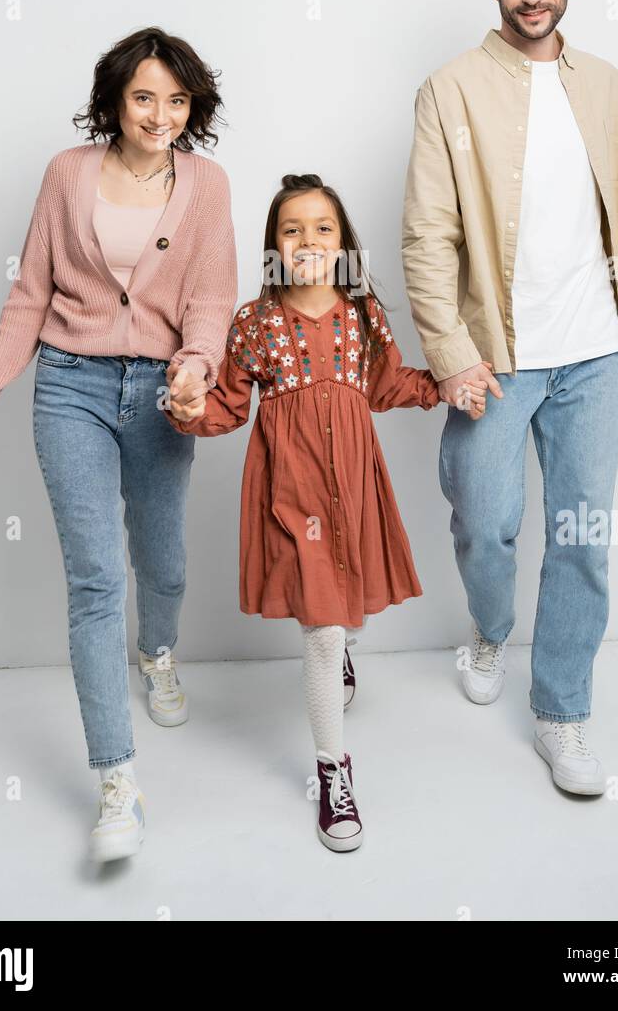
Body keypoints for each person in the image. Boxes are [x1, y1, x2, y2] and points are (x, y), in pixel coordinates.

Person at [0, 27, 237, 861]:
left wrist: (196, 366)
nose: (161, 115)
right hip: (69, 386)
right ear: (113, 98)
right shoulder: (67, 174)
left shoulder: (206, 185)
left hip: (163, 394)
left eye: (177, 100)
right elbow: (30, 295)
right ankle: (117, 782)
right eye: (145, 97)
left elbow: (212, 299)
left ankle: (160, 650)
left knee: (163, 559)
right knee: (97, 579)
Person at [401, 0, 618, 796]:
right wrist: (452, 355)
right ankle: (488, 628)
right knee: (485, 520)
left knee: (583, 537)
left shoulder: (607, 85)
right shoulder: (451, 89)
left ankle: (562, 713)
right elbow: (426, 237)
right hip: (494, 356)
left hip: (592, 350)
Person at [166, 173, 482, 850]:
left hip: (354, 485)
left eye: (323, 227)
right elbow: (226, 406)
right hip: (290, 491)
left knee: (341, 605)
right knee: (321, 627)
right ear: (273, 244)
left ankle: (341, 651)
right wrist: (187, 408)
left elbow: (386, 384)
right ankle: (333, 773)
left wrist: (445, 387)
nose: (307, 239)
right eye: (292, 228)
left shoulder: (364, 314)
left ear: (343, 242)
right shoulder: (252, 323)